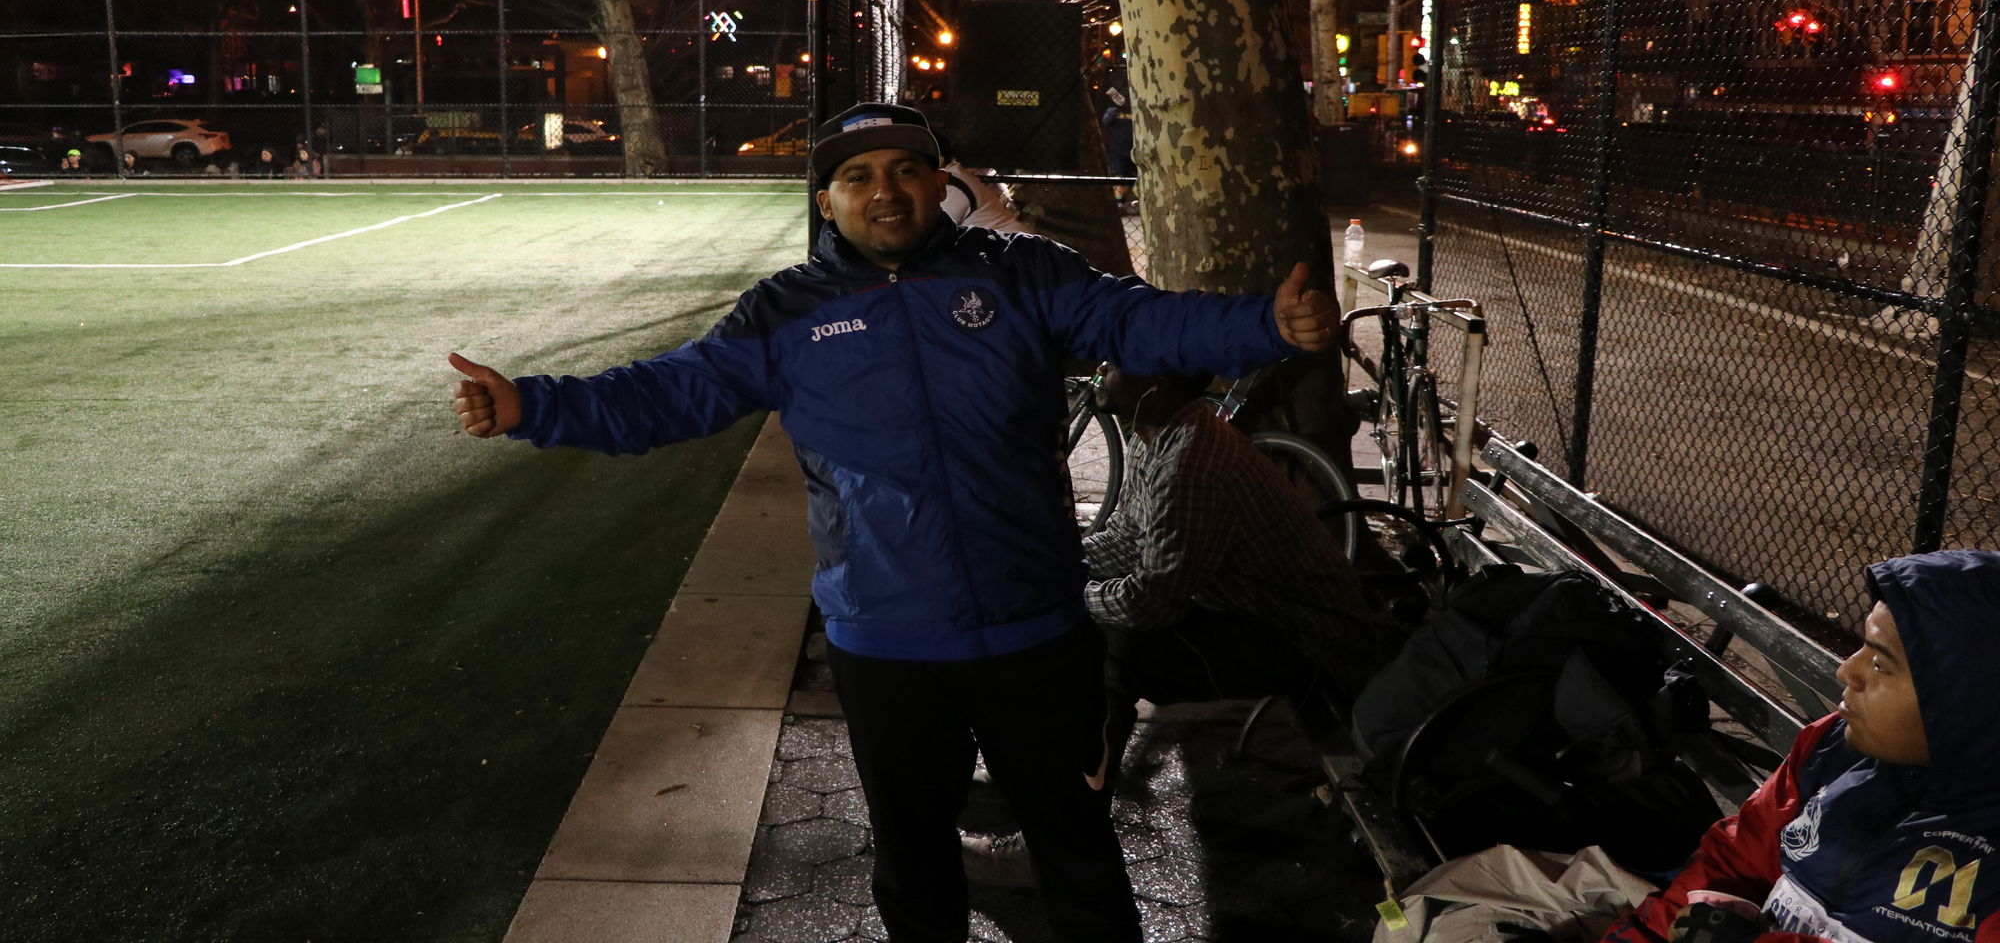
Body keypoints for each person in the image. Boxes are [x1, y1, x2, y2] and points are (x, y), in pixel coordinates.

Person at [447, 101, 1342, 943]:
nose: (887, 190)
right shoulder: (785, 311)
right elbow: (668, 394)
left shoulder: (1020, 275)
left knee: (1076, 849)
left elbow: (1140, 320)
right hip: (887, 641)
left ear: (937, 183)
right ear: (828, 199)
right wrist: (531, 405)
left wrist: (1264, 323)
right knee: (914, 863)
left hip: (1036, 634)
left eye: (908, 169)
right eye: (860, 174)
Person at [962, 362, 1396, 886]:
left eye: (1115, 362)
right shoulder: (1160, 431)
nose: (1101, 371)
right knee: (1087, 635)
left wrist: (1068, 597)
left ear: (1154, 384)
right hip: (1245, 617)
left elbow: (1150, 603)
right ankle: (1032, 785)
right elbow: (1127, 534)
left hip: (1303, 644)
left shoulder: (1193, 459)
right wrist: (1050, 570)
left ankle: (1056, 847)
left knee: (1114, 650)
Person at [1597, 548, 2000, 943]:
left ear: (1966, 701)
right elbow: (1736, 860)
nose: (1846, 670)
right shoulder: (1834, 748)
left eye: (1880, 664)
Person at [1099, 88, 1136, 210]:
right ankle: (1119, 202)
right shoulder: (1113, 111)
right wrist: (1115, 109)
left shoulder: (1136, 108)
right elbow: (1105, 122)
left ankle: (1126, 199)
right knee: (1120, 176)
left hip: (1134, 150)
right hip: (1118, 151)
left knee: (1133, 178)